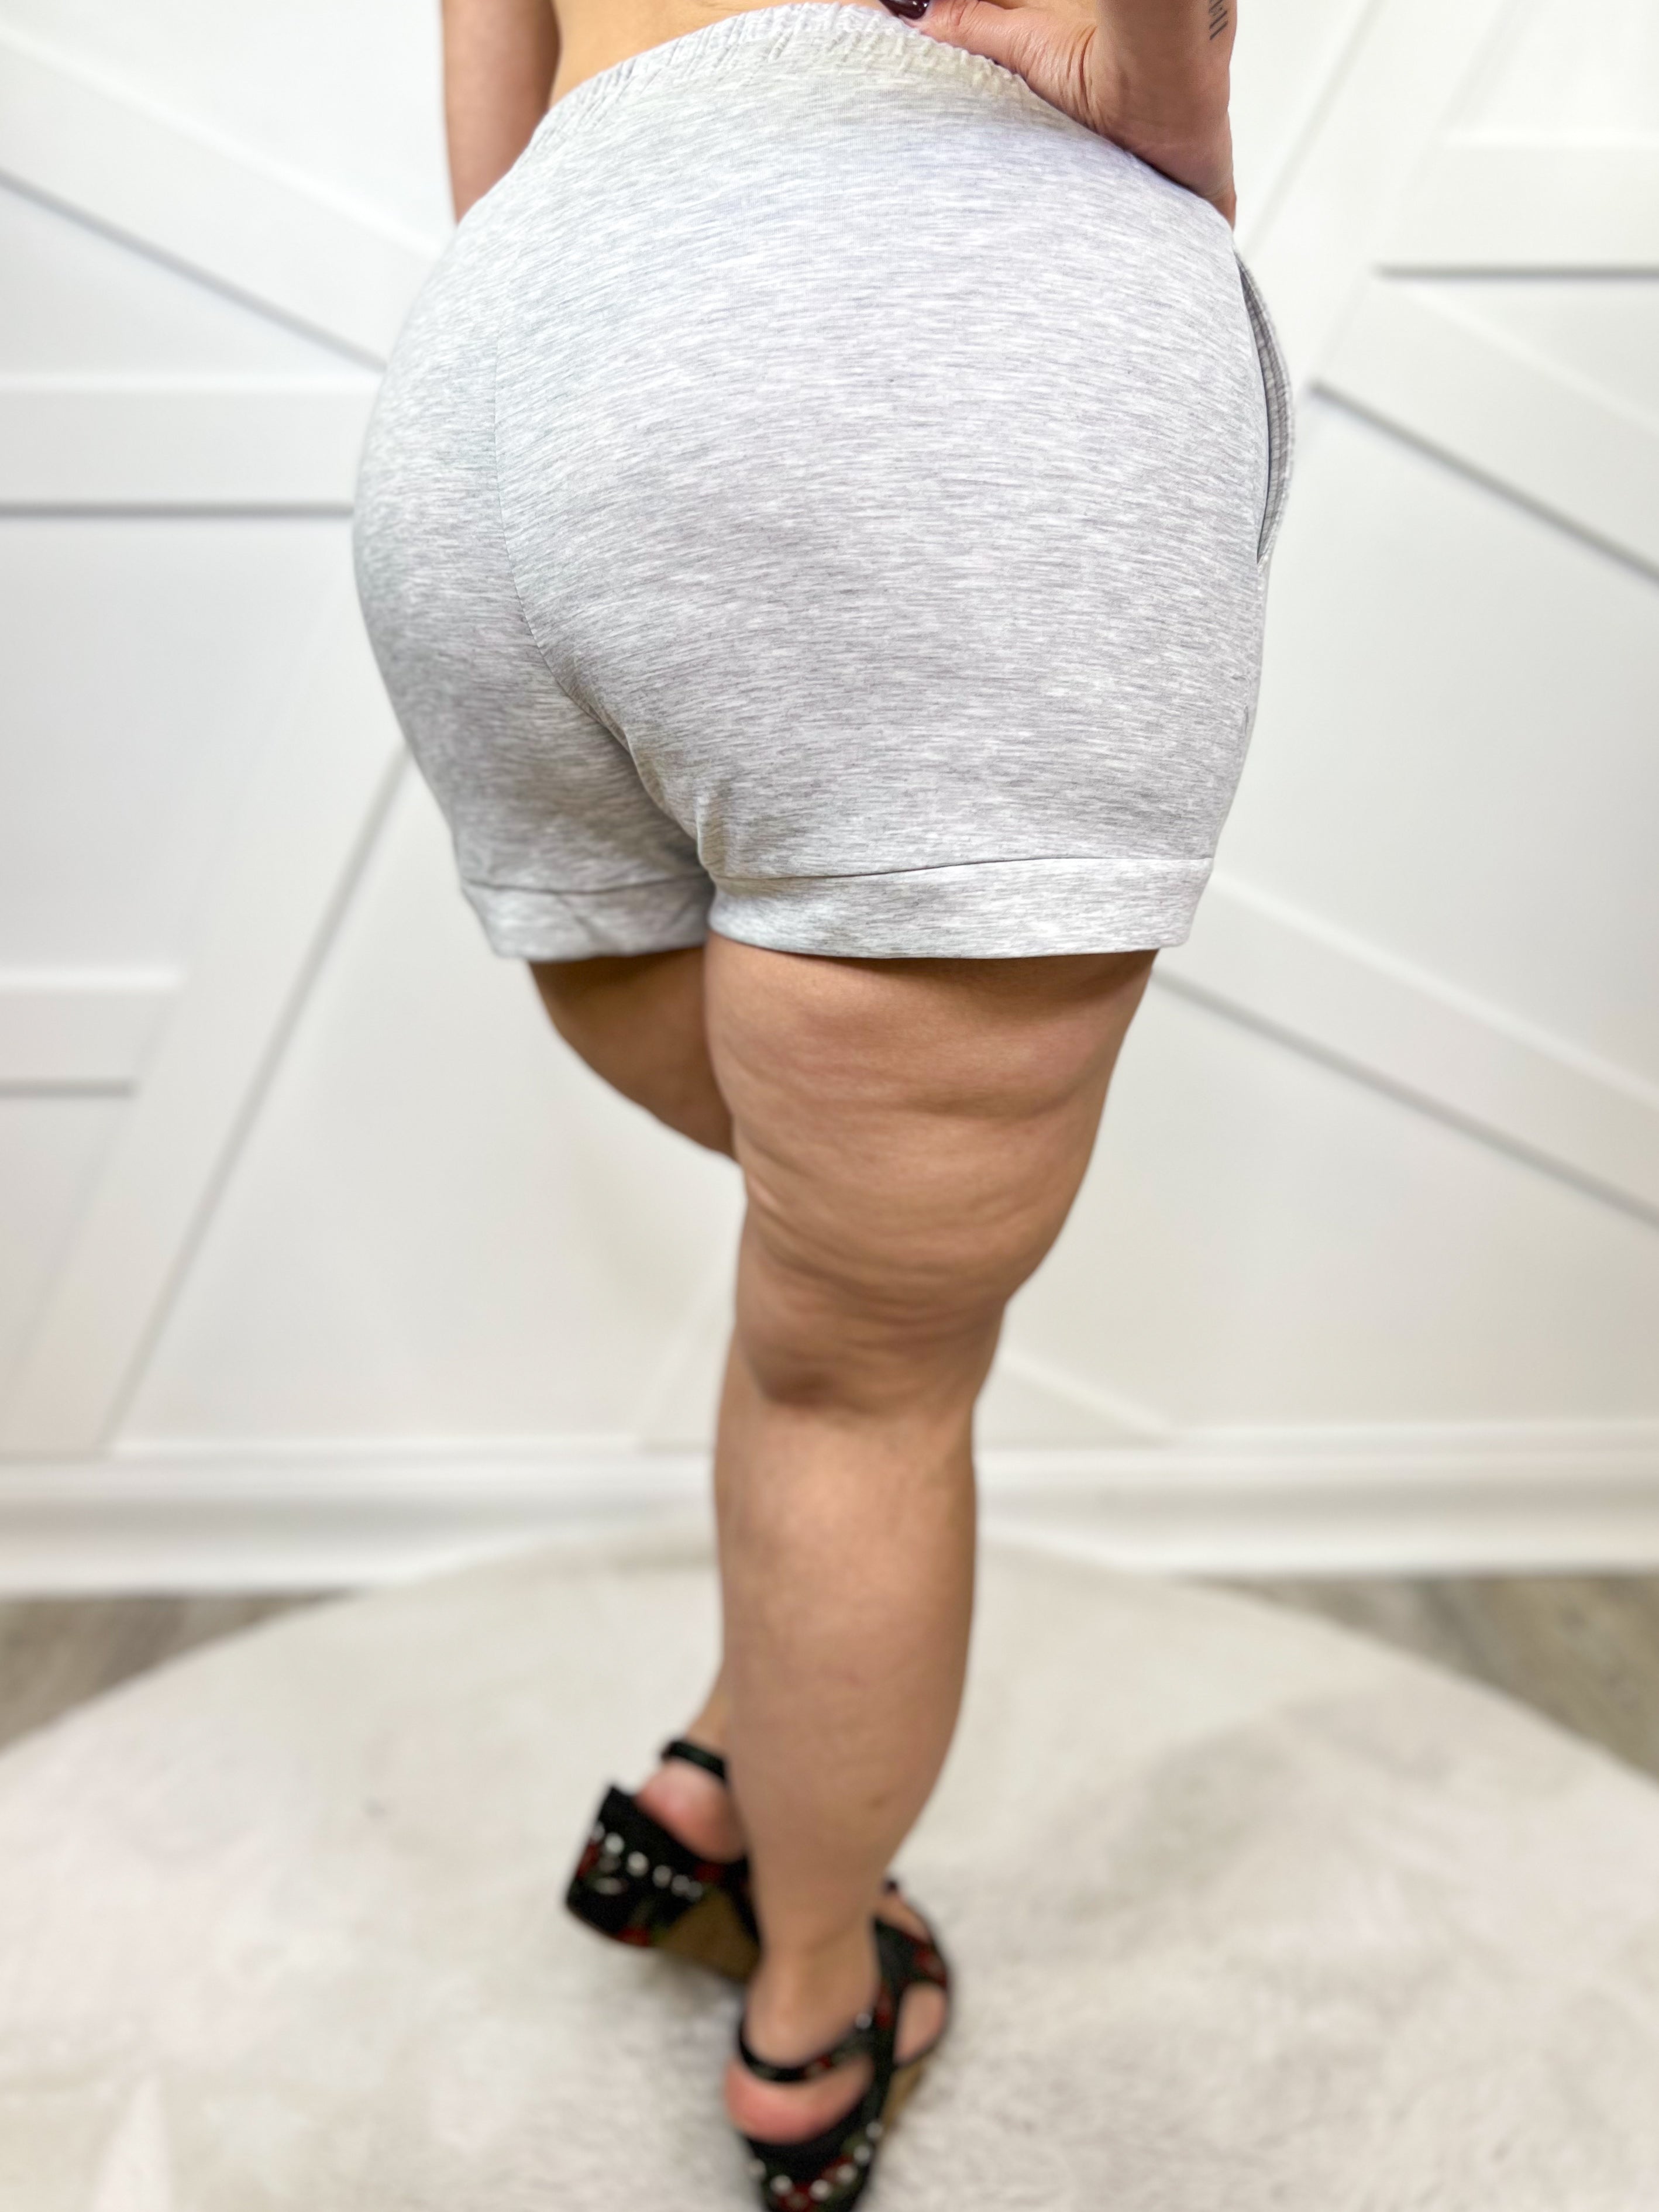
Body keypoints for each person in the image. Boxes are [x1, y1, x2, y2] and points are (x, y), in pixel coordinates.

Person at [353, 1, 1291, 2201]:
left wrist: (606, 330)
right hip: (925, 324)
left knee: (824, 1308)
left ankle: (724, 1759)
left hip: (507, 370)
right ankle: (808, 2009)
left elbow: (495, 116)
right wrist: (1170, 92)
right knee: (866, 1370)